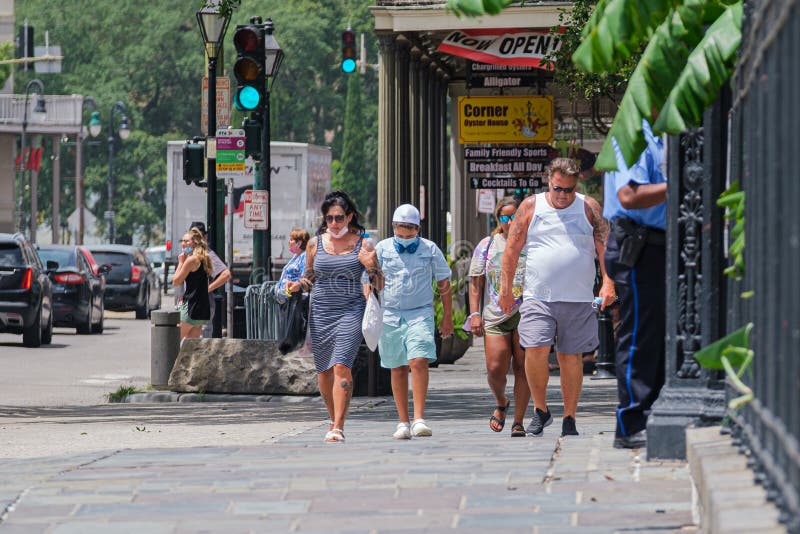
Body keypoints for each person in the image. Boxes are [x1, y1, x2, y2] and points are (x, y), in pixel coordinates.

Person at [499, 157, 615, 438]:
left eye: (569, 190)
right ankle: (541, 410)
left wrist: (608, 284)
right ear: (548, 181)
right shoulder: (531, 206)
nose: (563, 195)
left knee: (570, 357)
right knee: (535, 350)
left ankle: (570, 417)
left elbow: (605, 248)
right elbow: (511, 250)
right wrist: (505, 290)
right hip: (538, 294)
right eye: (558, 188)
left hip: (577, 296)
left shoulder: (589, 207)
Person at [298, 191, 383, 443]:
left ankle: (338, 426)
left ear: (349, 217)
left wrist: (371, 266)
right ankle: (332, 417)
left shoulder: (364, 244)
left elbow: (380, 283)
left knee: (341, 366)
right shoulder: (314, 244)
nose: (333, 223)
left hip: (351, 310)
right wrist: (299, 284)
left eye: (338, 218)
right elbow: (309, 276)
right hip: (321, 311)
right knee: (323, 371)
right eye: (329, 218)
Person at [603, 119, 667, 449]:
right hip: (639, 247)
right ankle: (630, 422)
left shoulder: (666, 137)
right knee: (640, 335)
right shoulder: (635, 135)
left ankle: (651, 412)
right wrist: (679, 184)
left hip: (661, 246)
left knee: (657, 336)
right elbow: (628, 194)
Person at [375, 204, 453, 440]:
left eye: (410, 229)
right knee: (397, 366)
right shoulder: (381, 249)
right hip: (390, 314)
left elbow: (443, 282)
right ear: (393, 227)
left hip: (420, 313)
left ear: (418, 228)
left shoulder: (429, 249)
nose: (405, 233)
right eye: (400, 228)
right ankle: (403, 421)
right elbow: (370, 283)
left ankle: (419, 418)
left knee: (419, 360)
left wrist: (447, 315)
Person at [468, 197, 531, 437]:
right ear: (499, 220)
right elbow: (475, 283)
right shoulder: (487, 245)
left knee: (523, 368)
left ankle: (518, 421)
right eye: (505, 218)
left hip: (526, 312)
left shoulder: (531, 243)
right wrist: (474, 314)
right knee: (495, 369)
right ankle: (501, 400)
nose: (510, 221)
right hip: (495, 315)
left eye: (515, 216)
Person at [188, 222, 232, 338]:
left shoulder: (207, 254)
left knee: (202, 344)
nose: (195, 239)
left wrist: (206, 289)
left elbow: (226, 274)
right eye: (193, 236)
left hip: (203, 307)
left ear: (205, 237)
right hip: (190, 307)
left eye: (198, 236)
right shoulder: (189, 255)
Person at [172, 228, 213, 340]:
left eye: (186, 241)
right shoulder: (204, 258)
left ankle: (171, 359)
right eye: (182, 241)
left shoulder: (191, 260)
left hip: (191, 308)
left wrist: (181, 262)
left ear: (195, 242)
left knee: (172, 342)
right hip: (202, 309)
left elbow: (176, 281)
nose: (183, 244)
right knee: (190, 347)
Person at [274, 228, 311, 305]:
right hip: (287, 301)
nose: (288, 242)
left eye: (291, 240)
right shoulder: (296, 256)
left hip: (295, 301)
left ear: (299, 243)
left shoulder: (304, 257)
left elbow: (303, 278)